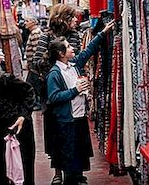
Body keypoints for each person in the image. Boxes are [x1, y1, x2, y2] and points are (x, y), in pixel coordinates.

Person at [46, 21, 114, 185]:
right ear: (61, 53)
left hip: (78, 117)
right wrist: (75, 91)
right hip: (66, 120)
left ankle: (78, 177)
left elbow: (88, 51)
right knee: (69, 152)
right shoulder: (54, 74)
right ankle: (71, 179)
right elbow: (53, 97)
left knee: (78, 150)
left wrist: (102, 33)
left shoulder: (73, 65)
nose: (72, 48)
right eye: (69, 47)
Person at [31, 4, 82, 184]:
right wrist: (56, 70)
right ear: (64, 19)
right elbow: (35, 63)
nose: (76, 20)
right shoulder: (46, 36)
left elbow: (78, 60)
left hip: (73, 90)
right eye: (73, 17)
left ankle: (75, 171)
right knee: (55, 133)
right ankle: (58, 172)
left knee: (75, 131)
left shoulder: (75, 36)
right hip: (53, 92)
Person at [24, 16, 42, 110]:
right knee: (31, 83)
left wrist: (33, 63)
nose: (25, 23)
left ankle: (38, 103)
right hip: (33, 64)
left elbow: (36, 50)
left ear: (33, 23)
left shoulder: (35, 33)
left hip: (35, 65)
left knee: (32, 84)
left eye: (27, 21)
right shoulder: (34, 32)